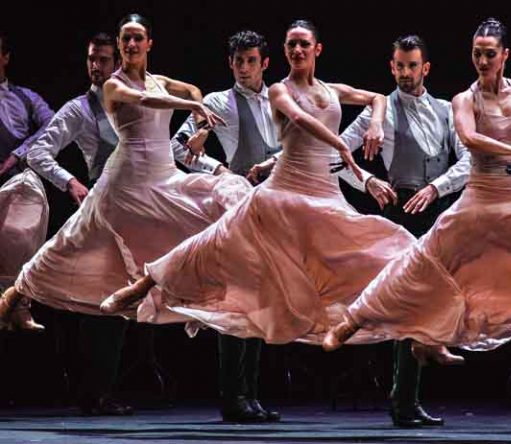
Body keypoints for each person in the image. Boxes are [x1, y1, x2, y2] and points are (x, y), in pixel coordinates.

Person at [323, 18, 511, 432]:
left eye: (490, 54)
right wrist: (368, 179)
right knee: (419, 276)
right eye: (477, 54)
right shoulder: (461, 100)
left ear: (505, 56)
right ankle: (365, 328)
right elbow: (469, 141)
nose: (482, 61)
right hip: (471, 204)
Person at [102, 21, 414, 359]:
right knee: (216, 245)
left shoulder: (323, 91)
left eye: (303, 45)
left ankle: (396, 329)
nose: (297, 51)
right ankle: (145, 284)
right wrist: (217, 164)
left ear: (315, 50)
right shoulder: (274, 93)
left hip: (318, 194)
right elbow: (299, 122)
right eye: (291, 45)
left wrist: (373, 138)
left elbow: (367, 108)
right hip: (267, 192)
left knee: (381, 247)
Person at [0, 14, 251, 330]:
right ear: (120, 45)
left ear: (149, 43)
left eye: (137, 38)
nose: (131, 44)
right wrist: (192, 107)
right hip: (127, 181)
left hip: (164, 176)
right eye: (126, 39)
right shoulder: (113, 85)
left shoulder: (160, 81)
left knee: (223, 200)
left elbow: (193, 90)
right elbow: (144, 99)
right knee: (68, 245)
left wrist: (201, 127)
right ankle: (13, 298)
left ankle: (164, 293)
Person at [338, 34, 470, 428]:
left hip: (437, 210)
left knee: (429, 301)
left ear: (425, 68)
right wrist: (367, 181)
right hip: (402, 212)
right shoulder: (380, 112)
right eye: (399, 66)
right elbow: (335, 153)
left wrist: (437, 188)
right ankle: (403, 400)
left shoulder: (446, 110)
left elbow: (469, 161)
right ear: (391, 66)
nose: (405, 73)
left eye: (412, 66)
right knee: (409, 302)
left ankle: (407, 397)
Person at [167, 30, 282, 423]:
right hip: (238, 205)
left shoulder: (278, 99)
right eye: (238, 62)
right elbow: (179, 146)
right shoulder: (218, 102)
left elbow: (295, 147)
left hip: (274, 204)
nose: (244, 69)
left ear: (265, 63)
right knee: (237, 299)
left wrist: (275, 164)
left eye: (251, 61)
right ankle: (233, 396)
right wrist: (217, 169)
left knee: (262, 300)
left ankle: (251, 393)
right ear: (230, 63)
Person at [0, 30, 54, 331]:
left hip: (12, 177)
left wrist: (18, 153)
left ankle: (18, 308)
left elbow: (53, 123)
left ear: (5, 57)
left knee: (18, 243)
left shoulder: (24, 97)